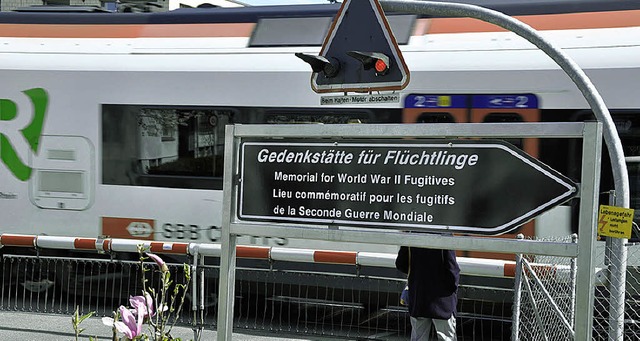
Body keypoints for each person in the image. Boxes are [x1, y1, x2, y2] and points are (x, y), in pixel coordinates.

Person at [395, 246, 460, 341]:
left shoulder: (413, 234)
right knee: (446, 337)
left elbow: (401, 264)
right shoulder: (445, 236)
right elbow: (452, 269)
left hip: (419, 295)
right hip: (442, 300)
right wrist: (452, 288)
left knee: (418, 337)